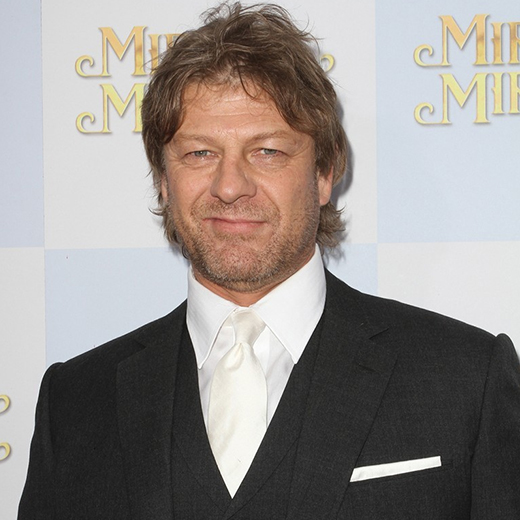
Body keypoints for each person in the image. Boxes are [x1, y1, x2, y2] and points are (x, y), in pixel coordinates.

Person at [19, 3, 520, 519]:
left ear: (324, 173)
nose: (230, 186)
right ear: (163, 180)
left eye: (267, 152)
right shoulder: (75, 402)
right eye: (199, 153)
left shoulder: (466, 380)